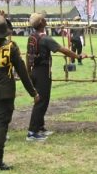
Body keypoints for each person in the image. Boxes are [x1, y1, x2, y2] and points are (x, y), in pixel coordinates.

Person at [0, 16, 39, 171]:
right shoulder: (11, 47)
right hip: (5, 90)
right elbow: (22, 72)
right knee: (1, 125)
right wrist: (33, 92)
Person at [26, 12, 87, 141]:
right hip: (43, 72)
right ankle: (32, 132)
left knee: (40, 99)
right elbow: (63, 50)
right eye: (43, 19)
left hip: (34, 71)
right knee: (41, 101)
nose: (45, 20)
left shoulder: (32, 37)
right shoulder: (46, 39)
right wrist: (78, 56)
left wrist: (28, 72)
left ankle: (40, 127)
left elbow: (28, 56)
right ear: (41, 23)